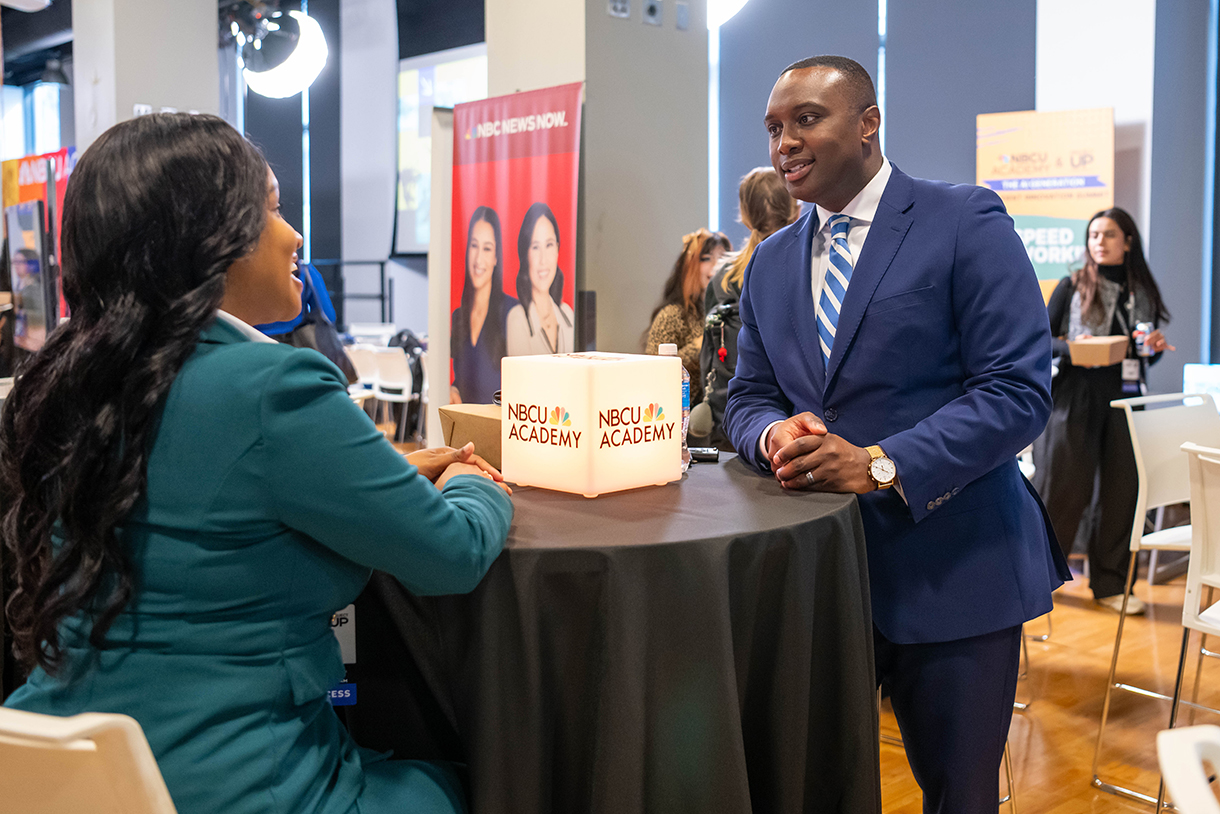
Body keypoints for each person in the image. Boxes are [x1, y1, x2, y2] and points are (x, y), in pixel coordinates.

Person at [0, 113, 513, 814]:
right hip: (246, 786)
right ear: (208, 240)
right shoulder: (276, 389)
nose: (295, 234)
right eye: (271, 208)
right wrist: (471, 484)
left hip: (58, 775)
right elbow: (450, 554)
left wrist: (390, 472)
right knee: (463, 779)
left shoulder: (66, 389)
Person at [722, 56, 1069, 813]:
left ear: (869, 123)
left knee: (958, 794)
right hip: (817, 579)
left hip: (953, 569)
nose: (785, 142)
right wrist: (772, 434)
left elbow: (1016, 391)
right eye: (775, 127)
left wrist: (882, 464)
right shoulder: (772, 263)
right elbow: (744, 397)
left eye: (807, 119)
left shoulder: (962, 220)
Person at [1032, 207, 1174, 615]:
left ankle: (1110, 584)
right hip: (1074, 395)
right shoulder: (1071, 284)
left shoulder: (1141, 289)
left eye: (1109, 234)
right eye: (1094, 234)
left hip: (1125, 398)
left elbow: (1141, 354)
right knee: (1061, 488)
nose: (1099, 241)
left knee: (1120, 493)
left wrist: (1153, 349)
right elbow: (1040, 342)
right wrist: (1078, 350)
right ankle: (1041, 580)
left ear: (1127, 241)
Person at [696, 168, 800, 447]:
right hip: (795, 430)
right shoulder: (806, 272)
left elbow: (707, 356)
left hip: (731, 423)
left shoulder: (722, 278)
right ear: (797, 209)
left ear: (744, 216)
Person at [644, 228, 730, 407]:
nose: (715, 266)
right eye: (706, 258)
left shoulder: (731, 314)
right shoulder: (671, 316)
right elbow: (654, 376)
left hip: (723, 422)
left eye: (722, 258)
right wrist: (700, 345)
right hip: (680, 422)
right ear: (689, 266)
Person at [450, 206, 517, 404]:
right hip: (468, 430)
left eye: (487, 249)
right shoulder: (458, 317)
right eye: (474, 246)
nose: (479, 259)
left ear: (497, 257)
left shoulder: (513, 315)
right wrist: (453, 389)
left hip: (503, 431)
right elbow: (462, 381)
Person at [506, 202, 574, 356]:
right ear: (525, 255)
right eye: (535, 247)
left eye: (549, 245)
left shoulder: (567, 315)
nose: (543, 260)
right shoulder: (518, 319)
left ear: (557, 249)